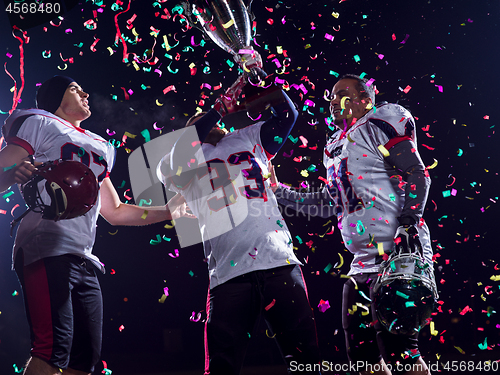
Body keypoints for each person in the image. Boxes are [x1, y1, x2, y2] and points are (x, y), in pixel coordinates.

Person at [0, 75, 192, 375]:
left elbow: (114, 211)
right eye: (76, 89)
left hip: (83, 255)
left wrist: (169, 210)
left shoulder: (100, 146)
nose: (85, 92)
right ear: (56, 99)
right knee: (51, 352)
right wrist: (12, 175)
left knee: (84, 361)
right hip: (45, 244)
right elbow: (3, 170)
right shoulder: (40, 123)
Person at [157, 51, 321, 375]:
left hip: (279, 262)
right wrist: (216, 110)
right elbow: (183, 150)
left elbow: (287, 113)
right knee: (222, 367)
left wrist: (260, 77)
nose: (204, 123)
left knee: (308, 361)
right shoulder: (176, 162)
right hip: (229, 275)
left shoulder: (245, 137)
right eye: (197, 124)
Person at [273, 74, 435, 375]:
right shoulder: (335, 145)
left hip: (397, 256)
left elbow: (417, 172)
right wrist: (278, 191)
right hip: (361, 264)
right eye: (331, 95)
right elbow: (330, 202)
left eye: (342, 93)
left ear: (365, 99)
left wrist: (408, 224)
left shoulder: (380, 122)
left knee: (402, 354)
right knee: (362, 359)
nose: (333, 100)